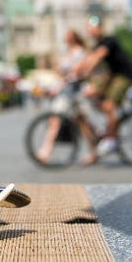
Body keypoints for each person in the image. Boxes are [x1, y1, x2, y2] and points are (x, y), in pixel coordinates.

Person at [71, 15, 132, 166]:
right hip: (112, 77)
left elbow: (95, 59)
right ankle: (106, 132)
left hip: (124, 76)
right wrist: (72, 71)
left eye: (93, 27)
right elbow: (86, 60)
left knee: (108, 106)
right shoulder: (96, 45)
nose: (91, 31)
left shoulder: (109, 41)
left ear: (100, 28)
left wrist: (83, 72)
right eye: (89, 28)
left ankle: (111, 140)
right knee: (91, 98)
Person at [35, 30, 87, 163]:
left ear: (73, 38)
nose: (65, 39)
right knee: (67, 121)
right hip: (65, 90)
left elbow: (78, 71)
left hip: (73, 91)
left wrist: (65, 73)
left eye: (67, 36)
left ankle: (46, 151)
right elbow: (60, 70)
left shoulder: (80, 52)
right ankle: (46, 150)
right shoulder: (68, 53)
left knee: (60, 120)